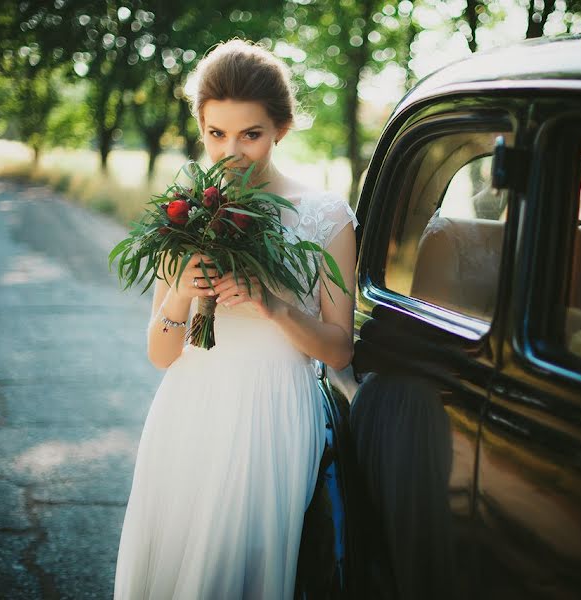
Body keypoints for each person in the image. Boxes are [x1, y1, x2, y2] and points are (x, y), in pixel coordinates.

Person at [113, 39, 358, 599]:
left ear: (281, 129)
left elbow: (339, 349)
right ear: (201, 128)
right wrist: (178, 293)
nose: (232, 151)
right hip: (190, 409)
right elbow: (161, 354)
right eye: (216, 134)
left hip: (273, 414)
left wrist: (271, 304)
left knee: (242, 570)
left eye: (251, 134)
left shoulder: (326, 215)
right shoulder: (186, 208)